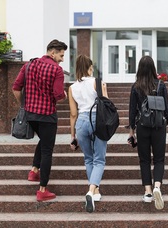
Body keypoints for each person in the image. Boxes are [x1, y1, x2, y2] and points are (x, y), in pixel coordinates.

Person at [12, 39, 68, 202]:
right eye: (61, 55)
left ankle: (34, 170)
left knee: (44, 141)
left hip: (30, 115)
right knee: (47, 150)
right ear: (52, 52)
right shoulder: (57, 70)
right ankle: (42, 189)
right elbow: (58, 95)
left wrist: (24, 105)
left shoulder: (29, 65)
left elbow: (15, 88)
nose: (62, 59)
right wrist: (65, 95)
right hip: (47, 115)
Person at [128, 56, 168, 210]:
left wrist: (131, 132)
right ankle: (157, 187)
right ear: (153, 68)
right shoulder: (161, 85)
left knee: (144, 160)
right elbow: (167, 109)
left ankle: (148, 192)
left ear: (140, 69)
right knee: (159, 159)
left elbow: (132, 112)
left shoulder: (135, 87)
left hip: (142, 126)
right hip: (159, 126)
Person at [68, 55, 108, 213]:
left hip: (81, 122)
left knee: (88, 159)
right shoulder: (98, 82)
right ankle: (91, 190)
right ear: (90, 68)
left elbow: (72, 114)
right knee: (99, 159)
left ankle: (96, 192)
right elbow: (107, 105)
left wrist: (72, 136)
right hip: (98, 120)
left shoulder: (72, 88)